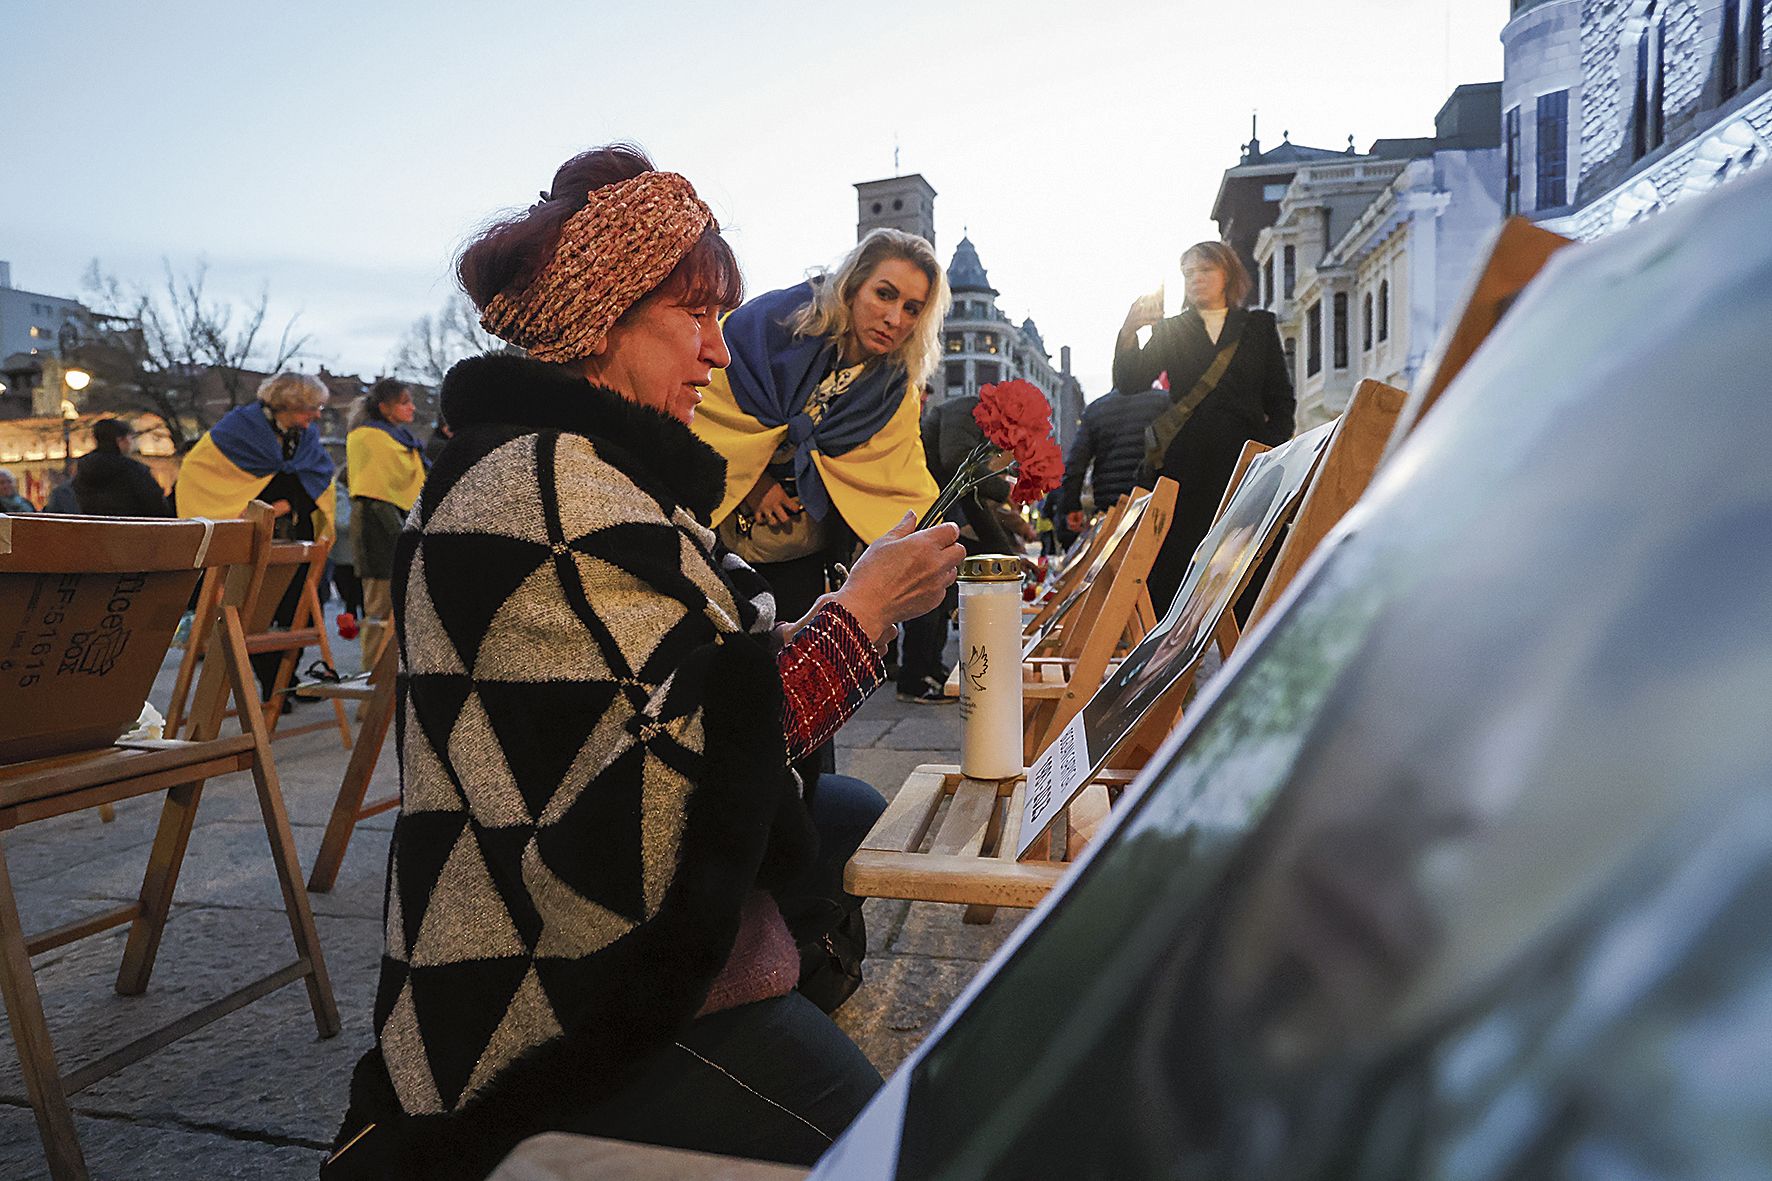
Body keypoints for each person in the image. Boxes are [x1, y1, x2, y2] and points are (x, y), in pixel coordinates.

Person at [326, 145, 964, 1180]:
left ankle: (776, 1029)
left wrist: (851, 611)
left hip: (614, 906)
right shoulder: (543, 488)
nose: (717, 351)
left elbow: (699, 680)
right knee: (892, 1153)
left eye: (722, 317)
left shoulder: (581, 466)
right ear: (602, 318)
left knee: (845, 814)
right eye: (694, 315)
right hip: (560, 980)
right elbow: (687, 770)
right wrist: (864, 610)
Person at [693, 228, 948, 629]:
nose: (895, 318)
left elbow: (899, 475)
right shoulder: (770, 325)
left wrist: (938, 547)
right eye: (884, 294)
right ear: (852, 285)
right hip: (718, 526)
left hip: (805, 547)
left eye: (912, 309)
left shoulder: (896, 388)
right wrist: (755, 484)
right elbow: (703, 405)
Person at [1113, 241, 1293, 615]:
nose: (1196, 279)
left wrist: (1268, 450)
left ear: (1228, 274)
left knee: (1249, 560)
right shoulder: (1172, 330)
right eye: (1189, 273)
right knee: (1176, 563)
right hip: (1186, 464)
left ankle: (1248, 641)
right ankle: (1172, 645)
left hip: (1245, 465)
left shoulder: (1257, 327)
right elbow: (1130, 381)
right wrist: (1129, 331)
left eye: (1205, 270)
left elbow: (1280, 400)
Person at [174, 371, 336, 699]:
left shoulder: (305, 437)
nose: (317, 415)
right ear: (289, 404)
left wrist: (284, 505)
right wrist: (246, 509)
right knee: (256, 614)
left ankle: (284, 681)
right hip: (249, 534)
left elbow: (316, 477)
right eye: (312, 407)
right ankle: (269, 686)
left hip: (295, 534)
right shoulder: (238, 429)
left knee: (298, 610)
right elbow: (200, 470)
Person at [345, 378, 427, 663]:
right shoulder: (367, 437)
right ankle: (373, 677)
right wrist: (404, 539)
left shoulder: (400, 438)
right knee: (379, 609)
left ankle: (396, 675)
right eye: (404, 403)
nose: (411, 408)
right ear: (384, 407)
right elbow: (373, 492)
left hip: (400, 526)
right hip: (377, 532)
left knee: (403, 611)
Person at [1056, 384, 1170, 534]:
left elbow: (1075, 463)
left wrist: (1072, 506)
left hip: (1110, 508)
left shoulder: (1096, 410)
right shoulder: (1164, 402)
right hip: (1153, 504)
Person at [71, 417, 173, 517]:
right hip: (132, 526)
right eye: (130, 438)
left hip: (93, 527)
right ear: (120, 440)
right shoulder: (134, 470)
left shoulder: (84, 469)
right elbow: (157, 506)